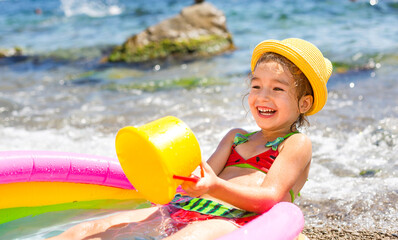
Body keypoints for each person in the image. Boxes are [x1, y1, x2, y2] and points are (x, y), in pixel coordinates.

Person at [48, 38, 332, 240]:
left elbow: (269, 198)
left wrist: (215, 186)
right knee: (94, 230)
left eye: (277, 89)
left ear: (304, 104)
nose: (262, 96)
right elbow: (199, 177)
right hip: (187, 209)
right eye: (256, 85)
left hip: (235, 221)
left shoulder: (294, 143)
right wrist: (167, 173)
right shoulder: (235, 138)